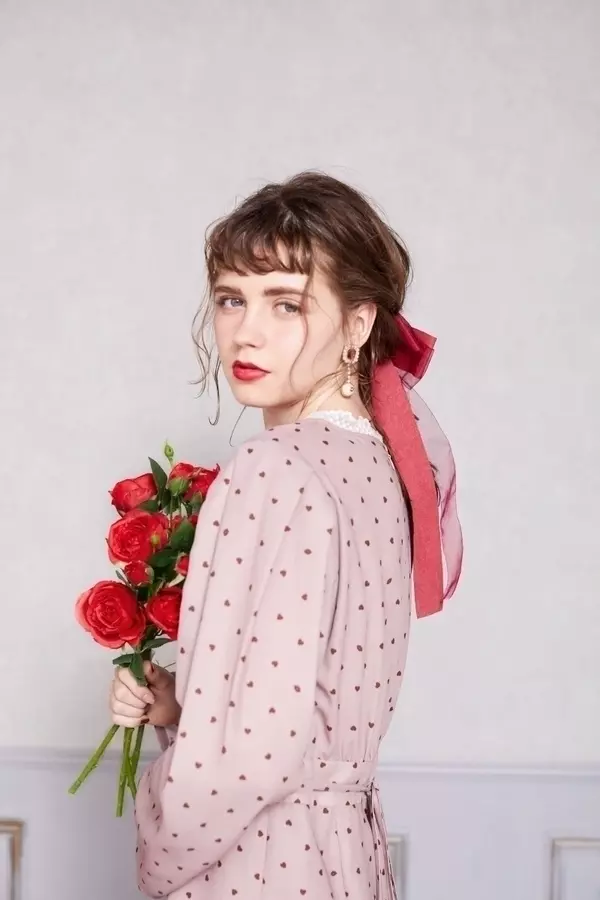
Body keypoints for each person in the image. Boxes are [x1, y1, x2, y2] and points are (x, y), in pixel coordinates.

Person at [109, 171, 463, 900]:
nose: (246, 331)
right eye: (231, 298)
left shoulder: (274, 466)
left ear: (358, 325)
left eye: (287, 304)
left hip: (260, 863)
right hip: (345, 856)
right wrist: (184, 710)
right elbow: (306, 709)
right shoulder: (385, 466)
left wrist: (156, 845)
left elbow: (247, 762)